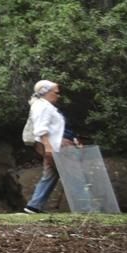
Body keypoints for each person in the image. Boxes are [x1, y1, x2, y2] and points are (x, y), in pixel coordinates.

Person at [23, 79, 77, 212]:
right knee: (75, 174)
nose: (58, 95)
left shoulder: (47, 106)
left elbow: (58, 128)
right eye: (56, 92)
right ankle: (86, 206)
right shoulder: (42, 106)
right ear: (46, 92)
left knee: (50, 175)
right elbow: (41, 128)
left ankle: (34, 206)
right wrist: (48, 147)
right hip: (57, 147)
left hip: (56, 145)